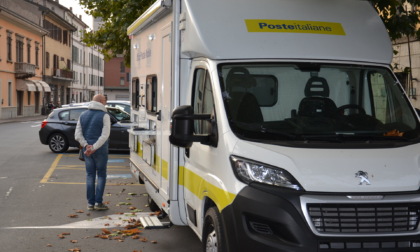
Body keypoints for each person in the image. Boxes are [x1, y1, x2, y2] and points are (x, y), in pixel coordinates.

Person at [75, 94, 110, 211]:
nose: (106, 102)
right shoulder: (105, 115)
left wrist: (87, 146)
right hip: (100, 150)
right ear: (100, 101)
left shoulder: (83, 115)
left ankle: (90, 204)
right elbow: (105, 135)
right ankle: (98, 203)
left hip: (87, 151)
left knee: (90, 175)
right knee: (101, 175)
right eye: (105, 100)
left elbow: (78, 135)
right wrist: (94, 147)